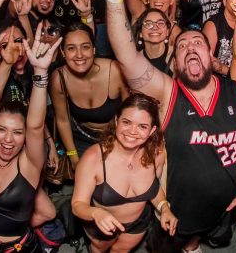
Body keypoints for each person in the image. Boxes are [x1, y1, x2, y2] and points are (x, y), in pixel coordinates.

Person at [104, 0, 236, 252]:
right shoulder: (167, 93)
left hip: (223, 208)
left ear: (211, 55)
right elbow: (126, 57)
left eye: (198, 44)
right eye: (182, 46)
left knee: (206, 240)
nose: (190, 47)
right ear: (175, 64)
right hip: (175, 214)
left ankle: (194, 246)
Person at [0, 15, 59, 253]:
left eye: (18, 132)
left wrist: (40, 73)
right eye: (1, 130)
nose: (8, 140)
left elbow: (36, 125)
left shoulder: (30, 163)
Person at [71, 93, 176, 253]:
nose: (132, 131)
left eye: (142, 126)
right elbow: (78, 205)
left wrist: (165, 209)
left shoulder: (157, 153)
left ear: (152, 130)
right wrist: (96, 213)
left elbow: (154, 190)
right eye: (126, 122)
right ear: (116, 121)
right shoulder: (94, 158)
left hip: (138, 224)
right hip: (101, 223)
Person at [50, 23, 126, 168]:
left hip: (116, 137)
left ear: (94, 49)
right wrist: (73, 156)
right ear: (63, 52)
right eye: (71, 48)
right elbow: (63, 119)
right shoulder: (58, 78)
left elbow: (130, 115)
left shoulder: (115, 70)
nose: (79, 55)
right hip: (81, 139)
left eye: (85, 47)